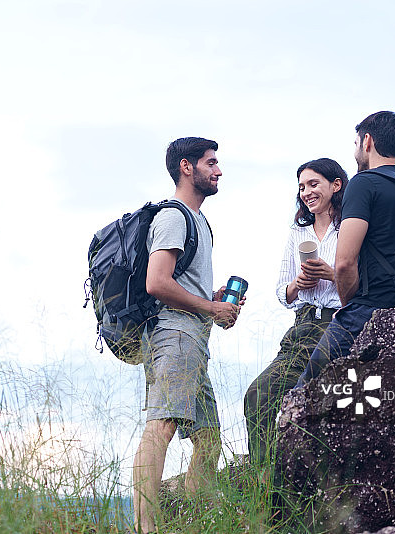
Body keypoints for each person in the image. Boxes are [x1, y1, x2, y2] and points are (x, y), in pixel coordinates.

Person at [133, 137, 244, 534]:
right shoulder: (173, 216)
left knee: (210, 440)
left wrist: (212, 299)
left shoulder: (199, 222)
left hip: (194, 339)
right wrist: (212, 308)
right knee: (162, 426)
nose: (218, 171)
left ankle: (192, 522)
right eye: (211, 163)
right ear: (186, 167)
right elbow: (157, 282)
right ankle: (146, 528)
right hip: (174, 335)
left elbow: (178, 281)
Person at [296, 111, 395, 387]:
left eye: (355, 144)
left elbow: (344, 262)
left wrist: (347, 308)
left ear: (367, 141)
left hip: (368, 309)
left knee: (305, 393)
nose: (355, 151)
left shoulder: (363, 184)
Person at [243, 158, 348, 462]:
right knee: (258, 395)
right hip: (301, 326)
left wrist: (332, 274)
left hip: (337, 324)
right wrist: (298, 284)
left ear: (336, 185)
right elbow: (282, 292)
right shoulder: (297, 233)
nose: (306, 192)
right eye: (301, 186)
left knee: (324, 413)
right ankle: (262, 481)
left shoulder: (349, 229)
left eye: (314, 184)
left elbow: (361, 288)